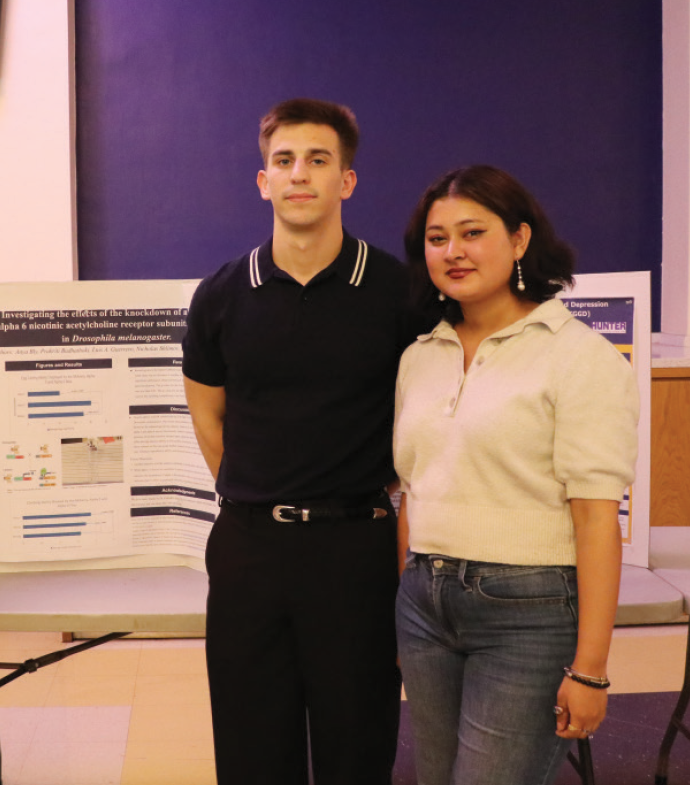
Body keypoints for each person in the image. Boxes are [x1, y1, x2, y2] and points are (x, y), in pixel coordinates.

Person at [182, 98, 419, 784]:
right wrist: (268, 497)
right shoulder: (222, 295)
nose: (300, 174)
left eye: (319, 160)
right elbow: (209, 420)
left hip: (357, 549)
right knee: (254, 749)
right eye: (284, 161)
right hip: (250, 549)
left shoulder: (396, 291)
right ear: (264, 180)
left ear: (347, 180)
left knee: (357, 745)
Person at [394, 164, 639, 785]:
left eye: (473, 232)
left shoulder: (577, 355)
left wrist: (590, 669)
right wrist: (406, 591)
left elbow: (595, 520)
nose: (453, 252)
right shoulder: (420, 356)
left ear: (521, 240)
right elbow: (412, 492)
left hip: (529, 611)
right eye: (436, 237)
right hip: (424, 604)